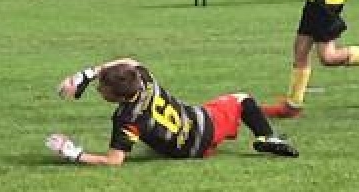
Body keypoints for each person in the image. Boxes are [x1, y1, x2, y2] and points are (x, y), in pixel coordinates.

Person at [46, 58, 298, 165]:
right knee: (242, 99)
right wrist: (87, 75)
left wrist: (73, 153)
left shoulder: (126, 119)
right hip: (201, 124)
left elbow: (114, 161)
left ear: (117, 97)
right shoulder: (143, 78)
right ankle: (266, 137)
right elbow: (130, 60)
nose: (98, 90)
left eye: (102, 88)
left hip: (191, 146)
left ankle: (266, 139)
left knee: (150, 137)